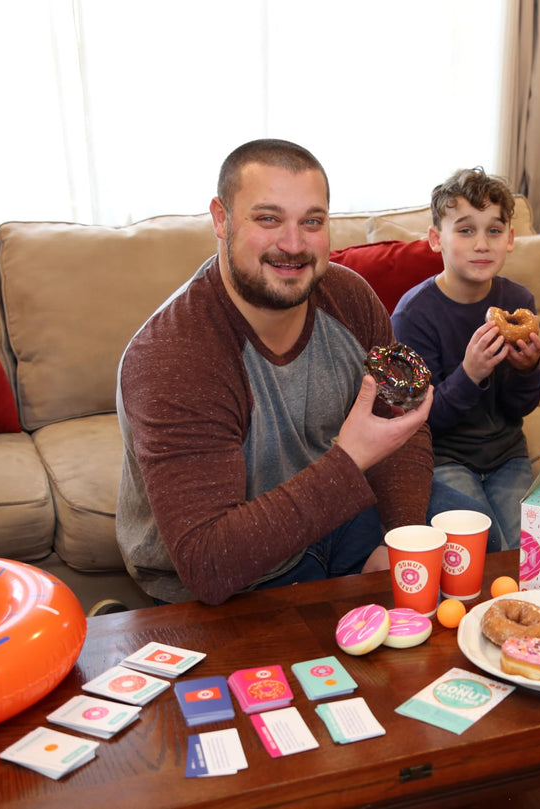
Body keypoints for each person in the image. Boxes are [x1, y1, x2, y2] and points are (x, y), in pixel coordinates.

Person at [116, 138, 469, 605]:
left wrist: (397, 540)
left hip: (336, 521)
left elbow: (402, 425)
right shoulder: (175, 355)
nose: (294, 244)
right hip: (227, 579)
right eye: (268, 218)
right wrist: (350, 458)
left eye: (312, 222)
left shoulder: (350, 298)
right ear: (221, 220)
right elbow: (209, 564)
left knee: (467, 553)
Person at [391, 168, 540, 551]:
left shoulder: (518, 303)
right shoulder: (413, 315)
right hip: (443, 459)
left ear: (510, 239)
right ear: (434, 239)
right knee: (485, 548)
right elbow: (421, 421)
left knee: (526, 548)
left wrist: (526, 369)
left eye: (494, 231)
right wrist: (471, 372)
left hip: (507, 455)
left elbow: (520, 407)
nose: (481, 244)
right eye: (465, 230)